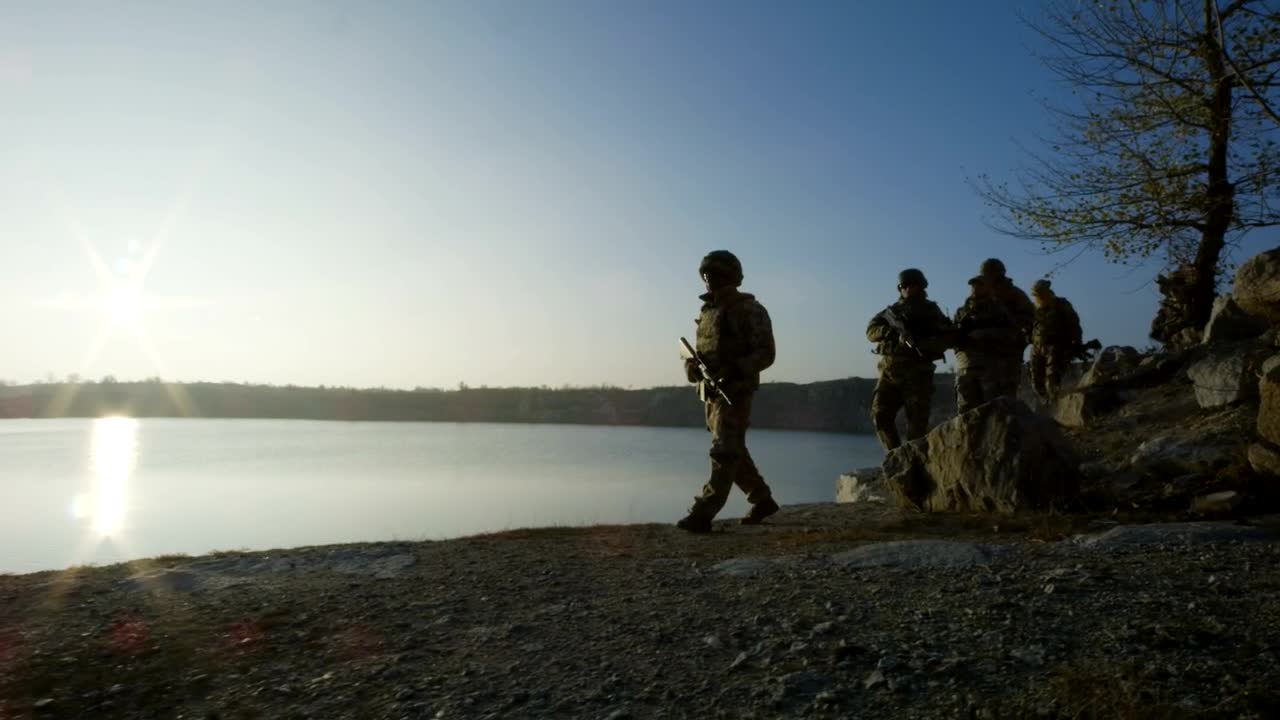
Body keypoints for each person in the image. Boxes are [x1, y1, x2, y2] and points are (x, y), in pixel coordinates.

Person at [676, 250, 779, 533]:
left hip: (736, 390)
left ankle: (703, 513)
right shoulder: (708, 311)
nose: (708, 280)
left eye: (715, 274)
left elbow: (766, 353)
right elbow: (697, 353)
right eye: (706, 275)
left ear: (730, 276)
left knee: (724, 450)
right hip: (710, 391)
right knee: (733, 449)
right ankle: (762, 499)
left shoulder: (749, 309)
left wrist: (734, 369)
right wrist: (691, 368)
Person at [865, 268, 954, 451]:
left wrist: (923, 343)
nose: (907, 289)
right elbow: (871, 331)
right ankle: (895, 456)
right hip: (890, 374)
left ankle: (912, 463)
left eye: (911, 285)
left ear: (920, 286)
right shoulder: (891, 312)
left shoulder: (931, 311)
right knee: (880, 416)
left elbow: (948, 337)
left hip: (918, 376)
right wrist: (890, 333)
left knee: (916, 428)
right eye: (904, 286)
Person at [953, 276, 1025, 412]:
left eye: (980, 285)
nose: (975, 289)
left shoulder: (999, 310)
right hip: (966, 367)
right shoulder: (961, 312)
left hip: (991, 367)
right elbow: (953, 337)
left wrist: (983, 334)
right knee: (966, 412)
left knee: (994, 410)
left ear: (988, 288)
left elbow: (1012, 334)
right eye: (973, 285)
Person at [979, 258, 1035, 397]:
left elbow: (1029, 320)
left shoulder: (1015, 294)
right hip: (986, 351)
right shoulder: (982, 295)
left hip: (1009, 350)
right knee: (988, 394)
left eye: (989, 275)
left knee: (1008, 392)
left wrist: (1009, 325)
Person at [1030, 279, 1083, 404]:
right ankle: (1047, 404)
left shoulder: (1061, 304)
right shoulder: (1034, 308)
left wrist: (1076, 342)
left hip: (1056, 347)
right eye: (1037, 294)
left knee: (1052, 380)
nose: (1039, 296)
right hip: (1037, 348)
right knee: (1036, 383)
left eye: (1041, 293)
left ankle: (1057, 405)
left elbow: (1074, 323)